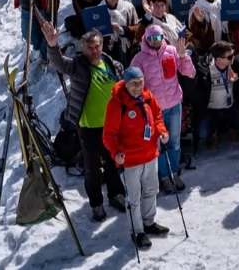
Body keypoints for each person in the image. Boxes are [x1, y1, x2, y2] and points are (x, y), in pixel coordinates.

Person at [44, 24, 126, 221]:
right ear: (82, 48)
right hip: (89, 127)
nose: (94, 50)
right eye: (89, 47)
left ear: (102, 46)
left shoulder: (109, 62)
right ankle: (96, 204)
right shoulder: (77, 65)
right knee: (92, 169)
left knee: (113, 163)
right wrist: (52, 45)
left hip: (111, 125)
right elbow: (59, 63)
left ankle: (116, 195)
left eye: (97, 46)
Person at [102, 66, 171, 249]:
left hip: (150, 155)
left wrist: (162, 131)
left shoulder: (148, 96)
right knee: (134, 198)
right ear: (125, 84)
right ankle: (137, 231)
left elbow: (157, 115)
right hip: (130, 161)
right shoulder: (117, 104)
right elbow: (109, 135)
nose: (138, 87)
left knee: (151, 190)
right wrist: (117, 153)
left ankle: (149, 223)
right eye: (133, 84)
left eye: (140, 83)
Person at [130, 25, 195, 193]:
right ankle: (164, 177)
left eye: (158, 37)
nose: (155, 41)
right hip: (154, 110)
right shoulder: (139, 58)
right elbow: (133, 84)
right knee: (158, 145)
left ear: (162, 37)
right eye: (151, 38)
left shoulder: (172, 51)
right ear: (145, 39)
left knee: (174, 142)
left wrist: (183, 57)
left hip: (174, 104)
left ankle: (174, 172)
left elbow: (191, 72)